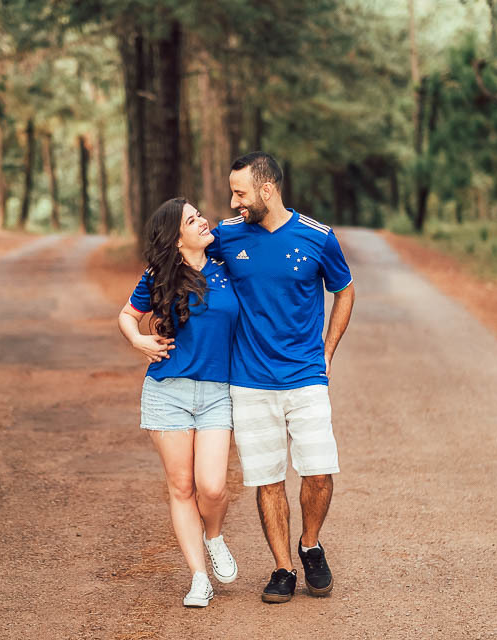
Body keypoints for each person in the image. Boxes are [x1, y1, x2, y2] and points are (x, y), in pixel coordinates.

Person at [206, 151, 355, 603]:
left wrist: (327, 351)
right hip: (249, 381)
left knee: (319, 472)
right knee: (267, 479)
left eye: (240, 193)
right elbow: (185, 260)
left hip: (306, 377)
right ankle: (283, 567)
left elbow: (344, 289)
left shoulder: (317, 237)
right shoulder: (226, 236)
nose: (234, 202)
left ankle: (310, 545)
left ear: (267, 190)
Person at [117, 197, 240, 608]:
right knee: (182, 486)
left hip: (217, 393)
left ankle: (214, 536)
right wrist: (138, 341)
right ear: (175, 238)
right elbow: (127, 315)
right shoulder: (159, 276)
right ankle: (199, 578)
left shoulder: (227, 267)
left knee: (213, 486)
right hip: (167, 392)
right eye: (192, 220)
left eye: (199, 214)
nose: (203, 221)